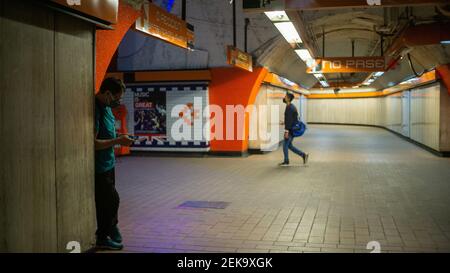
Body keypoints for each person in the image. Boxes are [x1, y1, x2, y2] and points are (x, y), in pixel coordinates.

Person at [94, 77, 134, 250]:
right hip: (99, 166)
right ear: (107, 93)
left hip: (109, 163)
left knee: (109, 202)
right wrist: (118, 140)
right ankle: (104, 234)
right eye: (116, 98)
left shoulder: (108, 108)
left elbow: (109, 132)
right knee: (111, 200)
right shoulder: (96, 110)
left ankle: (108, 230)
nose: (117, 102)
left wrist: (120, 136)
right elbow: (93, 143)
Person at [279, 92, 309, 166]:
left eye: (285, 96)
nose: (284, 98)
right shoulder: (291, 106)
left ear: (288, 98)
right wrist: (284, 122)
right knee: (289, 146)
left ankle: (286, 161)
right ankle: (303, 155)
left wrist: (286, 131)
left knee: (285, 145)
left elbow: (290, 120)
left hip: (290, 130)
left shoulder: (289, 107)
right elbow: (292, 119)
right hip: (292, 128)